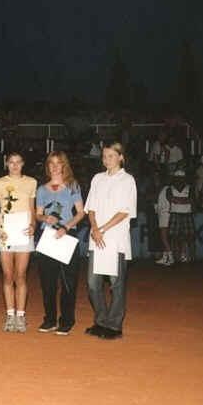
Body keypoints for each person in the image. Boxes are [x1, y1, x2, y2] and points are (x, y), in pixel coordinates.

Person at [84, 142, 137, 340]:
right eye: (105, 156)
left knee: (116, 284)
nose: (107, 160)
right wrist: (95, 229)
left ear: (121, 157)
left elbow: (125, 211)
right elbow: (91, 208)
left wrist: (103, 229)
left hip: (116, 239)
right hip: (96, 238)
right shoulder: (97, 178)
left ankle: (114, 325)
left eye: (111, 156)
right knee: (92, 283)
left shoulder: (128, 180)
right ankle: (100, 321)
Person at [35, 151, 85, 336]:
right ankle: (49, 319)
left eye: (59, 163)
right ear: (47, 166)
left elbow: (81, 212)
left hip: (67, 236)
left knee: (68, 282)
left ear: (64, 165)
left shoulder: (72, 186)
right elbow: (37, 213)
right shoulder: (41, 189)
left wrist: (66, 226)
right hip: (47, 237)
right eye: (51, 163)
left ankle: (66, 321)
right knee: (47, 282)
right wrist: (43, 218)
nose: (55, 166)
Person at [0, 151, 37, 333]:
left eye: (18, 162)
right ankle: (10, 314)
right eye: (11, 162)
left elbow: (32, 209)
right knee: (8, 276)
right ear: (6, 163)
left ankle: (21, 315)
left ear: (23, 163)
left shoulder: (31, 182)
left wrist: (33, 225)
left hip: (24, 233)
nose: (15, 165)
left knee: (21, 275)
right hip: (6, 235)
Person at [165, 170, 196, 263]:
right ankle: (176, 257)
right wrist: (185, 200)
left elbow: (192, 200)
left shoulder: (190, 188)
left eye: (181, 178)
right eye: (177, 178)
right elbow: (171, 199)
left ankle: (192, 258)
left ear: (184, 179)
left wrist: (177, 200)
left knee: (190, 237)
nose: (179, 180)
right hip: (175, 214)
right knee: (174, 237)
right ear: (174, 179)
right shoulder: (169, 189)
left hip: (187, 214)